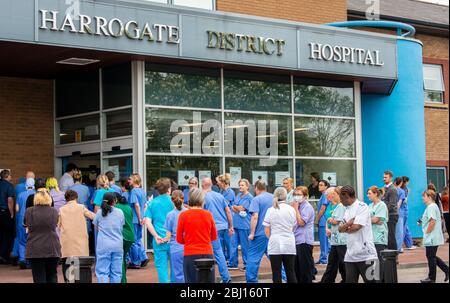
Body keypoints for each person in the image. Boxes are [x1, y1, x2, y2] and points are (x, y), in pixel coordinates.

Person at [176, 188, 217, 283]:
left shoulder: (183, 215)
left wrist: (189, 241)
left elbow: (179, 239)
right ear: (202, 200)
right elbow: (214, 236)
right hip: (207, 253)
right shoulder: (208, 215)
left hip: (190, 253)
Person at [339, 185, 378, 283]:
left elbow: (356, 227)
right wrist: (349, 223)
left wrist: (346, 228)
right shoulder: (347, 210)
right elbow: (340, 229)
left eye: (341, 198)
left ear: (347, 196)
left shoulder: (362, 206)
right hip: (350, 256)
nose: (340, 200)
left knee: (373, 281)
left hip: (368, 255)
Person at [24, 188, 61, 283]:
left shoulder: (29, 211)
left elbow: (26, 224)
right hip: (52, 247)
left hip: (35, 248)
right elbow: (56, 223)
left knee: (38, 276)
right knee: (52, 275)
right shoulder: (54, 211)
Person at [58, 190, 95, 283]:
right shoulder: (81, 207)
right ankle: (76, 280)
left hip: (67, 241)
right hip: (80, 242)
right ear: (76, 198)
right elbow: (92, 216)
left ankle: (69, 281)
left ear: (66, 198)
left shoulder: (61, 209)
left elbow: (57, 225)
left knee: (68, 264)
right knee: (77, 265)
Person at [262, 187, 297, 283]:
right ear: (286, 196)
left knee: (276, 272)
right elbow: (294, 226)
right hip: (289, 242)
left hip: (275, 243)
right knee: (290, 271)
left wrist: (272, 238)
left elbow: (266, 230)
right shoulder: (291, 209)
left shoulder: (271, 210)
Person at [202, 177, 233, 283]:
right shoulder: (220, 195)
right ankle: (226, 278)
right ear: (211, 185)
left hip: (212, 228)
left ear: (202, 185)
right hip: (223, 226)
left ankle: (216, 278)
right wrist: (230, 226)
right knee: (220, 252)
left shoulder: (202, 197)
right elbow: (228, 211)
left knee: (212, 253)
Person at [144, 178, 174, 283]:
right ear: (169, 189)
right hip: (173, 239)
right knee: (176, 268)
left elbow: (147, 222)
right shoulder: (174, 202)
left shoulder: (152, 203)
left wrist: (156, 236)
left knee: (162, 268)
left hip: (159, 240)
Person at [93, 192, 125, 283]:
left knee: (102, 272)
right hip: (117, 245)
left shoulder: (99, 212)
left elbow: (96, 227)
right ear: (114, 201)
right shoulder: (120, 212)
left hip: (103, 245)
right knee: (116, 272)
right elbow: (121, 227)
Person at [246, 180, 273, 283]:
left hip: (259, 234)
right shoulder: (273, 198)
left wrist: (252, 233)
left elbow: (255, 217)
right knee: (276, 258)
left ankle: (251, 282)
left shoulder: (256, 199)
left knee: (253, 259)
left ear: (256, 188)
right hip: (272, 233)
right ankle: (285, 277)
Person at [419, 190, 449, 283]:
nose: (422, 198)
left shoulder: (431, 207)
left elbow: (432, 222)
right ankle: (447, 270)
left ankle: (431, 278)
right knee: (431, 256)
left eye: (424, 196)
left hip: (431, 236)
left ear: (429, 197)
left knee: (430, 257)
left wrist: (427, 233)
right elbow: (428, 220)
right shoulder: (431, 206)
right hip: (432, 236)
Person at [321, 186, 347, 283]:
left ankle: (346, 279)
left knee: (343, 263)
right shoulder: (338, 206)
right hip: (335, 240)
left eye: (335, 194)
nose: (333, 196)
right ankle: (327, 280)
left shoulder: (341, 206)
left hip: (341, 240)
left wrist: (330, 220)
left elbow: (337, 221)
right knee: (332, 262)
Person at [291, 186, 315, 283]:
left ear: (305, 196)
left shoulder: (307, 207)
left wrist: (296, 209)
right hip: (296, 240)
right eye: (295, 195)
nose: (297, 197)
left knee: (305, 268)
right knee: (296, 268)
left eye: (299, 195)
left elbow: (301, 222)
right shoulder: (297, 206)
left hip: (304, 241)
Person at [164, 190, 187, 283]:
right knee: (189, 273)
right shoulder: (188, 212)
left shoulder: (170, 215)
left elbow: (168, 235)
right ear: (183, 198)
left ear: (171, 200)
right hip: (188, 247)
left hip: (176, 247)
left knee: (178, 274)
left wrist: (163, 239)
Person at [229, 179, 253, 270]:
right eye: (239, 185)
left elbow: (242, 208)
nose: (240, 187)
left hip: (244, 225)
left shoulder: (249, 197)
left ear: (247, 186)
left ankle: (247, 265)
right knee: (233, 244)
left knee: (245, 246)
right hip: (235, 224)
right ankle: (233, 264)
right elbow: (233, 208)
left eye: (242, 185)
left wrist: (236, 207)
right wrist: (236, 208)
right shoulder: (238, 195)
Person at [367, 186, 388, 282]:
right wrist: (372, 220)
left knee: (379, 261)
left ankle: (380, 280)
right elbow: (372, 219)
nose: (368, 195)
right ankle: (373, 279)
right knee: (371, 260)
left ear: (376, 194)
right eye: (367, 193)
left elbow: (377, 219)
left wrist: (371, 220)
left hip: (379, 237)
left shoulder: (382, 205)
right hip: (370, 237)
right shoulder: (369, 206)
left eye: (369, 193)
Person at [13, 178, 35, 269]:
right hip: (33, 220)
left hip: (22, 220)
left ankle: (22, 260)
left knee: (22, 241)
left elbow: (17, 209)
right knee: (32, 241)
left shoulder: (20, 194)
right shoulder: (36, 195)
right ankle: (30, 261)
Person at [113, 192, 135, 283]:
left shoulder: (115, 207)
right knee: (123, 257)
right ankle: (123, 277)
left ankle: (123, 280)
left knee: (120, 259)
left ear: (115, 200)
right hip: (130, 236)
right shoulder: (128, 207)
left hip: (122, 236)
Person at [128, 173, 149, 269]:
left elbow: (136, 205)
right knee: (138, 239)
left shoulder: (133, 191)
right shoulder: (142, 191)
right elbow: (144, 205)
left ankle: (136, 261)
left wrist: (140, 217)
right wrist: (143, 217)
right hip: (140, 219)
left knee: (133, 241)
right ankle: (144, 257)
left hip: (135, 219)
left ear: (134, 180)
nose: (129, 181)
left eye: (130, 179)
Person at [216, 174, 235, 264]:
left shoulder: (230, 192)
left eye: (218, 182)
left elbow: (224, 206)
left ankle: (231, 260)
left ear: (223, 182)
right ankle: (224, 258)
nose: (217, 184)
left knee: (229, 242)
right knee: (222, 241)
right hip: (223, 219)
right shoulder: (221, 191)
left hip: (228, 219)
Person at [0, 169, 15, 264]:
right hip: (5, 212)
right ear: (6, 176)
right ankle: (5, 256)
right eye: (10, 175)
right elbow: (10, 200)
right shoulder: (9, 186)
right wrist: (12, 213)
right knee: (8, 234)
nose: (11, 177)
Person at [383, 171, 399, 250]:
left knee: (391, 236)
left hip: (392, 215)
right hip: (387, 215)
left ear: (390, 178)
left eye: (386, 177)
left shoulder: (392, 189)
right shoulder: (385, 188)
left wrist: (382, 212)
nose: (384, 179)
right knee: (388, 236)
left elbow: (392, 204)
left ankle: (394, 257)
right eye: (383, 177)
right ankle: (389, 255)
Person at [315, 179, 330, 264]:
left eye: (321, 185)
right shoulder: (322, 195)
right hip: (322, 221)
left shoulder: (325, 195)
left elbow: (323, 208)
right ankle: (322, 257)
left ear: (326, 186)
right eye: (319, 185)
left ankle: (324, 259)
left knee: (324, 241)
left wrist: (317, 219)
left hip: (323, 220)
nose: (319, 186)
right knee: (323, 241)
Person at [401, 176, 416, 250]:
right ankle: (400, 245)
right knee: (403, 227)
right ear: (406, 181)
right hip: (403, 209)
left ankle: (409, 244)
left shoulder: (400, 188)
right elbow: (404, 200)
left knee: (405, 227)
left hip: (403, 209)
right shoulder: (404, 189)